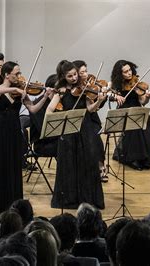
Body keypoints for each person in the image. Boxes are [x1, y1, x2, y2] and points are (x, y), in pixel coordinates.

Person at [0, 61, 51, 217]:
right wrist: (15, 88)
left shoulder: (21, 91)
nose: (20, 77)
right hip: (0, 135)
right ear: (6, 75)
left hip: (14, 134)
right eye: (16, 74)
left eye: (20, 73)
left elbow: (33, 109)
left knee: (14, 169)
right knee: (0, 169)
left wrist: (45, 96)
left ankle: (13, 210)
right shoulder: (0, 91)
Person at [46, 60, 106, 209]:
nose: (73, 78)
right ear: (63, 76)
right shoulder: (60, 90)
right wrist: (62, 116)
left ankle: (87, 198)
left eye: (75, 75)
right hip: (68, 131)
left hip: (85, 130)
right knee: (69, 165)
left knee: (87, 163)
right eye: (70, 76)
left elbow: (90, 109)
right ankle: (70, 199)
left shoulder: (83, 88)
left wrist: (99, 101)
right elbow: (49, 110)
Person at [109, 60, 150, 170]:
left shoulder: (136, 82)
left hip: (138, 110)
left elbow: (142, 102)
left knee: (148, 127)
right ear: (120, 74)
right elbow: (107, 93)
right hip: (125, 112)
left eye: (130, 70)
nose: (129, 73)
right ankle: (132, 159)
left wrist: (147, 97)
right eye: (125, 72)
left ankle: (144, 158)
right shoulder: (115, 84)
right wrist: (115, 96)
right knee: (135, 130)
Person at [73, 60, 107, 180]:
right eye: (82, 72)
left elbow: (91, 108)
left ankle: (100, 165)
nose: (86, 74)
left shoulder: (89, 87)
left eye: (86, 71)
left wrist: (100, 99)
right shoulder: (73, 88)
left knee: (95, 138)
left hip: (90, 118)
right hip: (76, 119)